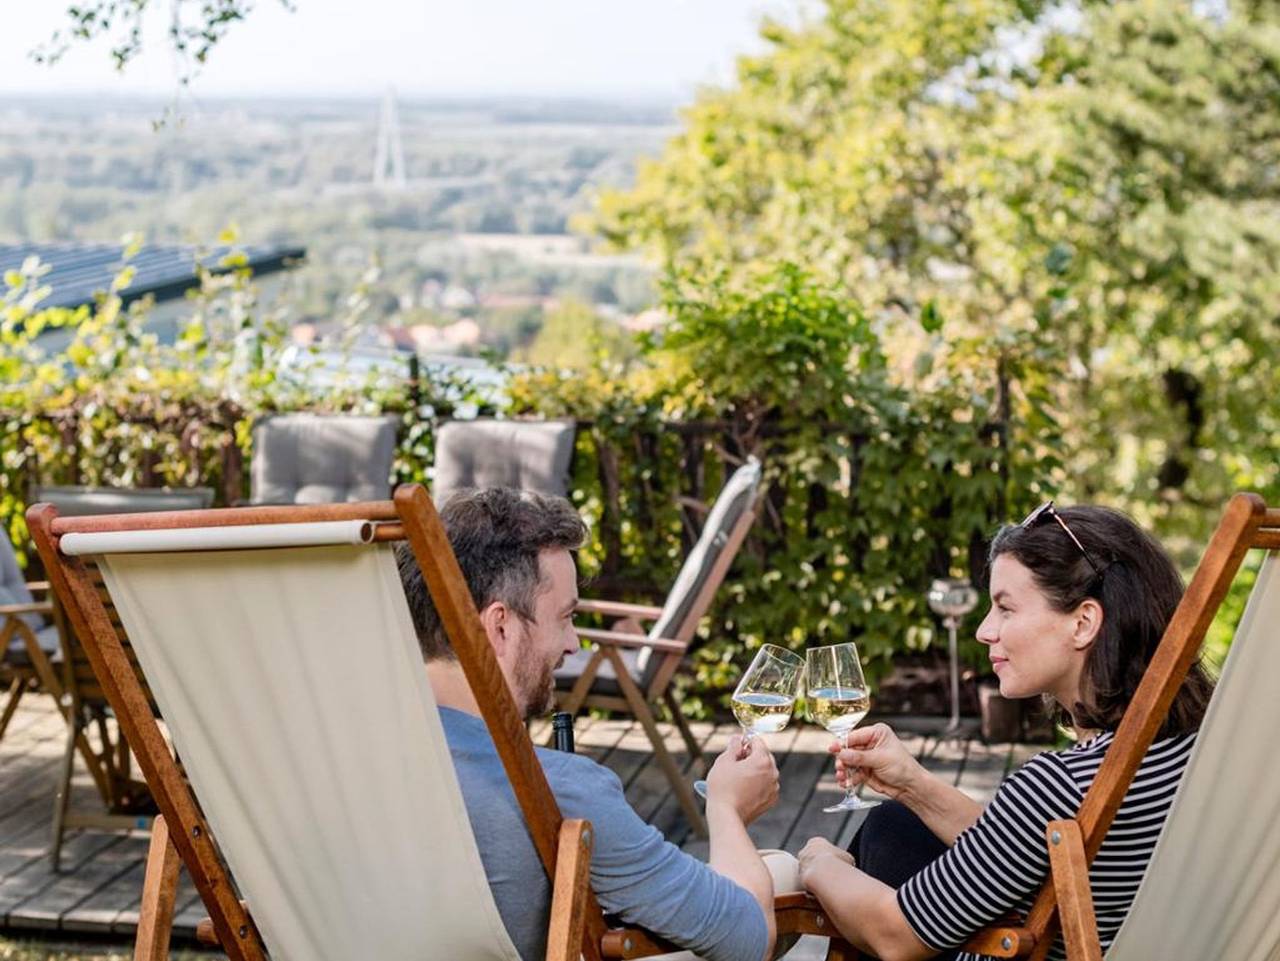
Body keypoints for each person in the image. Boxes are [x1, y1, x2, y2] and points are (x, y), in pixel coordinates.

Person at [796, 502, 1214, 961]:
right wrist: (912, 786)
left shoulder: (1060, 783)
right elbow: (1025, 844)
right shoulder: (1202, 747)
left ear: (1083, 623)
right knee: (895, 825)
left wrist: (818, 865)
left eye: (1005, 608)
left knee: (869, 855)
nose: (984, 631)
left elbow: (893, 935)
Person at [396, 486, 782, 961]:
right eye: (565, 617)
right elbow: (748, 938)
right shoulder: (557, 790)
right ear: (499, 626)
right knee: (784, 875)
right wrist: (726, 808)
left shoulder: (333, 767)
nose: (573, 644)